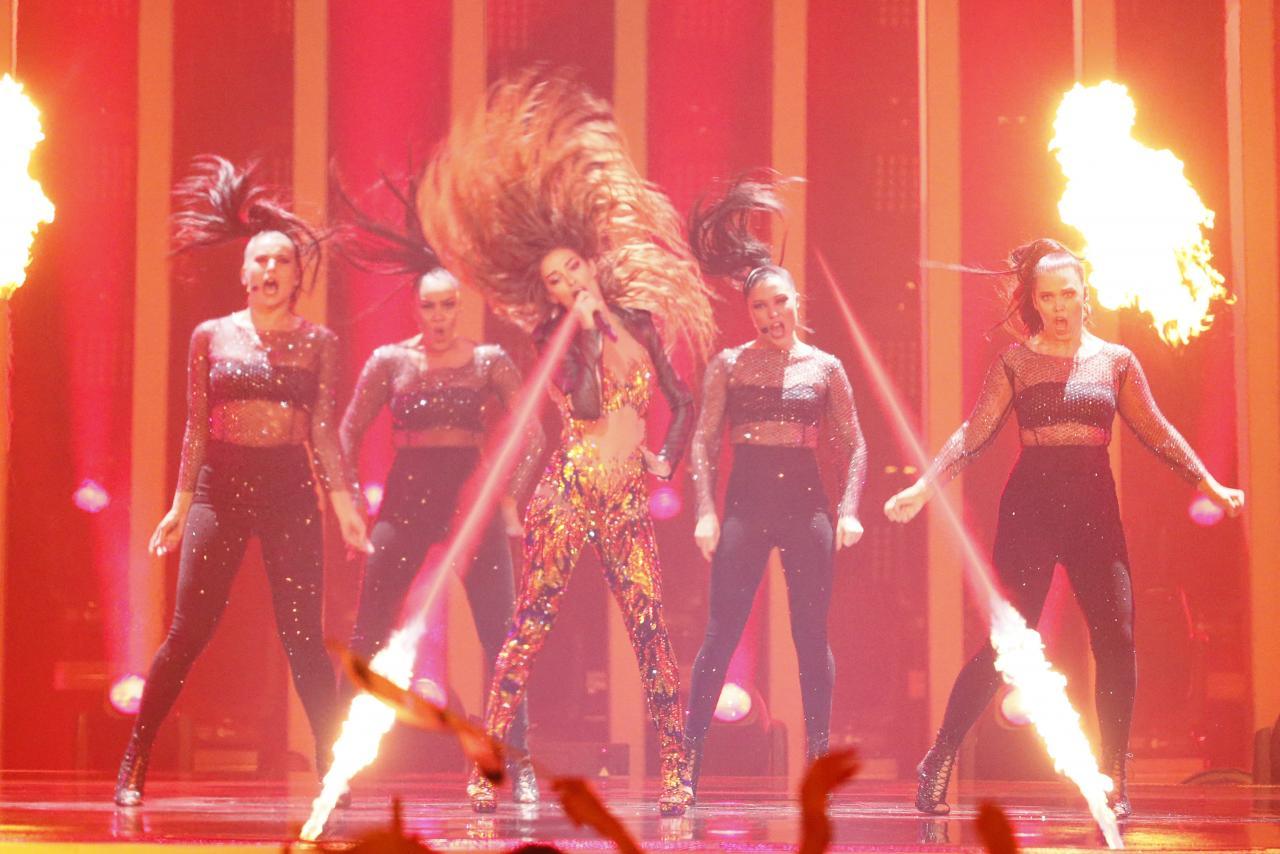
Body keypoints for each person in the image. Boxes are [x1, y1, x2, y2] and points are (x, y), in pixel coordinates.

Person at [421, 71, 716, 815]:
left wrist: (666, 458)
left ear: (589, 260)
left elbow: (682, 400)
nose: (565, 283)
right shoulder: (554, 337)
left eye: (571, 269)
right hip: (569, 491)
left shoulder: (639, 322)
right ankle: (486, 769)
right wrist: (582, 326)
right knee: (528, 630)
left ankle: (677, 773)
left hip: (625, 498)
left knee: (650, 632)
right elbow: (583, 402)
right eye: (553, 280)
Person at [884, 238, 1245, 818]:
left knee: (1117, 640)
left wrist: (1210, 483)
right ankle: (941, 755)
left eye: (1067, 294)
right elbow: (973, 434)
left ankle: (1114, 776)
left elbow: (1158, 431)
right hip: (1031, 509)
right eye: (1047, 297)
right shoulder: (1017, 362)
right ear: (1035, 300)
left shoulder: (1116, 361)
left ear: (1084, 295)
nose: (1058, 306)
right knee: (1009, 644)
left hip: (1094, 510)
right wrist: (924, 487)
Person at [114, 157, 370, 806]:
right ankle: (137, 752)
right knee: (188, 632)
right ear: (244, 271)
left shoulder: (318, 343)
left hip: (289, 491)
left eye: (282, 260)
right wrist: (179, 507)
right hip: (220, 488)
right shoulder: (211, 337)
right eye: (260, 260)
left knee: (304, 639)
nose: (271, 269)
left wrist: (344, 506)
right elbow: (196, 426)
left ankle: (331, 768)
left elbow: (322, 432)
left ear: (296, 275)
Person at [334, 173, 542, 801]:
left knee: (501, 637)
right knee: (369, 634)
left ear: (461, 306)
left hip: (470, 504)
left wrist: (509, 499)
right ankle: (335, 763)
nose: (440, 316)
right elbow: (345, 434)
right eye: (429, 306)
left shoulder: (488, 362)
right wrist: (349, 505)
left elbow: (532, 435)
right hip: (406, 498)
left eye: (449, 305)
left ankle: (518, 764)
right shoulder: (390, 361)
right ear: (416, 309)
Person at [683, 175, 867, 795]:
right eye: (759, 308)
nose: (771, 316)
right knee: (721, 633)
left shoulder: (826, 367)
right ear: (750, 313)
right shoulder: (729, 365)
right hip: (747, 501)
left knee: (810, 635)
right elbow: (704, 442)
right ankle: (687, 760)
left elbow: (854, 444)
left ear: (795, 301)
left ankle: (818, 759)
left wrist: (849, 509)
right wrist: (705, 512)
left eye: (779, 303)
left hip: (805, 503)